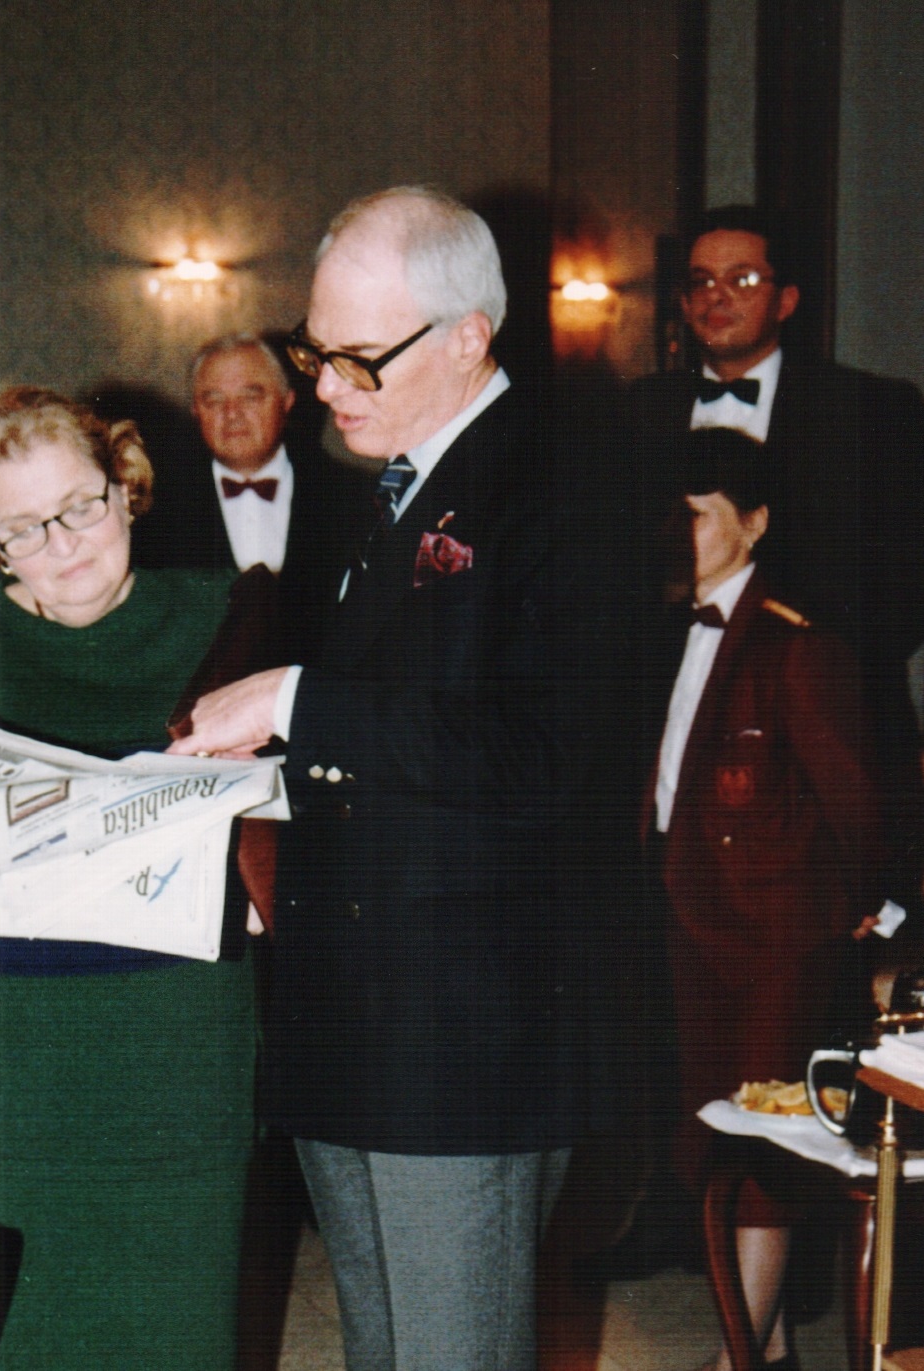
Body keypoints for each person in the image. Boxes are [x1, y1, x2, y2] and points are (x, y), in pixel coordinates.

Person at [169, 186, 602, 1370]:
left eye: (360, 357)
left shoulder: (563, 484)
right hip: (350, 1013)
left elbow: (544, 758)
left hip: (461, 1034)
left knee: (454, 1352)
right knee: (381, 1349)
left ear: (468, 335)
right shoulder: (394, 480)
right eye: (316, 351)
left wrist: (293, 701)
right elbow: (398, 732)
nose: (324, 387)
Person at [0, 386, 259, 1371]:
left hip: (172, 1037)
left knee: (172, 1318)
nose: (64, 545)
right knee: (15, 1326)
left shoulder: (225, 613)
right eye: (26, 528)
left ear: (125, 487)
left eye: (80, 507)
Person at [647, 430, 896, 1371]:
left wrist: (858, 911)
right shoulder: (666, 627)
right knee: (711, 1137)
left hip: (775, 932)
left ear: (752, 523)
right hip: (692, 919)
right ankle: (769, 1345)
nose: (676, 533)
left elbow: (857, 799)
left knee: (764, 1147)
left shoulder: (796, 644)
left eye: (696, 514)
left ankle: (736, 1357)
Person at [627, 206, 924, 822]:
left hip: (825, 735)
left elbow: (904, 591)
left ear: (786, 300)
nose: (717, 297)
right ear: (682, 303)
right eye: (701, 281)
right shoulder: (639, 410)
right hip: (668, 727)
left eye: (741, 279)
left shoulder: (872, 408)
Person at [134, 332, 366, 659]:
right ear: (195, 410)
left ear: (287, 401)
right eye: (214, 400)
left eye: (251, 397)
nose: (232, 413)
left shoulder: (355, 498)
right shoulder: (152, 511)